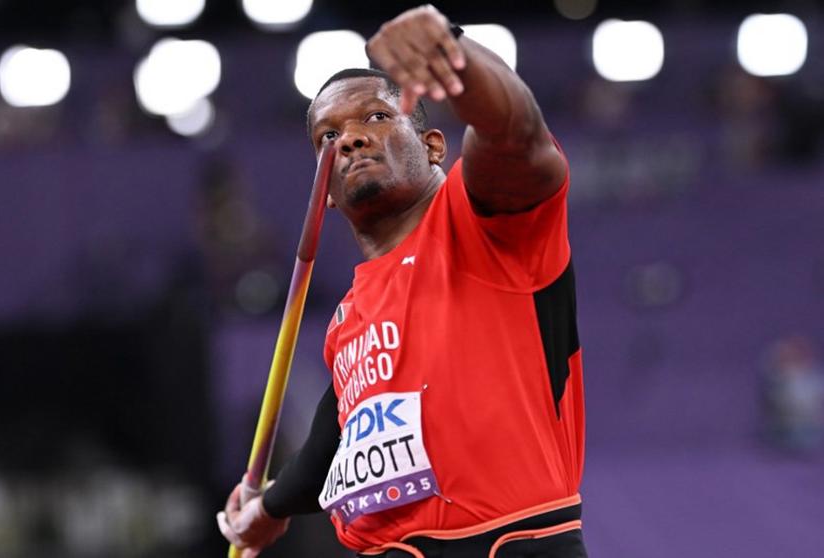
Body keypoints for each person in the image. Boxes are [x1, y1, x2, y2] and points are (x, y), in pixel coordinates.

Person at [218, 5, 587, 557]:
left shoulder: (482, 217)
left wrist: (453, 55)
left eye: (374, 118)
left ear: (434, 147)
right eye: (328, 137)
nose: (348, 141)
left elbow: (515, 136)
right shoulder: (349, 318)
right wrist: (268, 509)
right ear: (325, 196)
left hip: (509, 540)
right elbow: (339, 432)